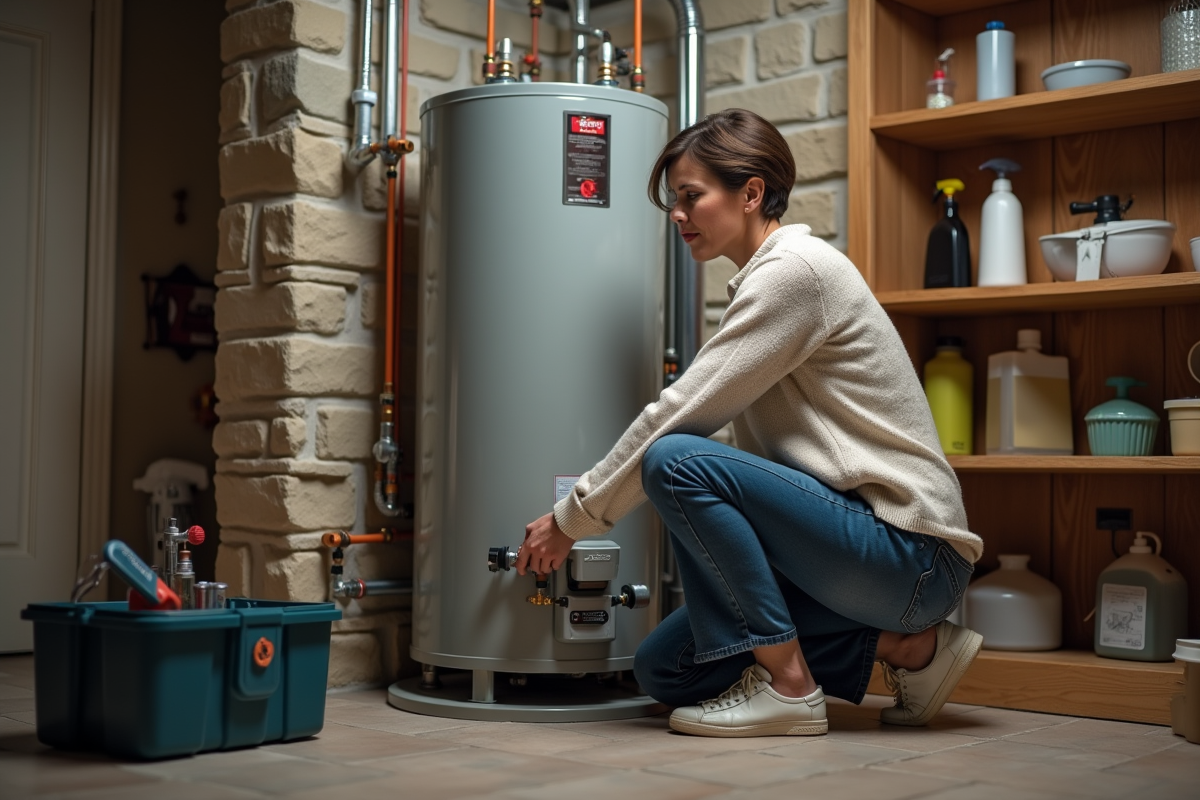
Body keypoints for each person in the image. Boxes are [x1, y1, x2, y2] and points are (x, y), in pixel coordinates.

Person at [516, 108, 984, 738]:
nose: (678, 215)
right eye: (673, 201)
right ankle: (910, 648)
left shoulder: (797, 273)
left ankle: (789, 689)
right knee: (667, 670)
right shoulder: (764, 280)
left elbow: (681, 413)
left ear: (751, 193)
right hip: (854, 558)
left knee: (674, 459)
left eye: (691, 196)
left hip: (909, 552)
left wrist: (574, 518)